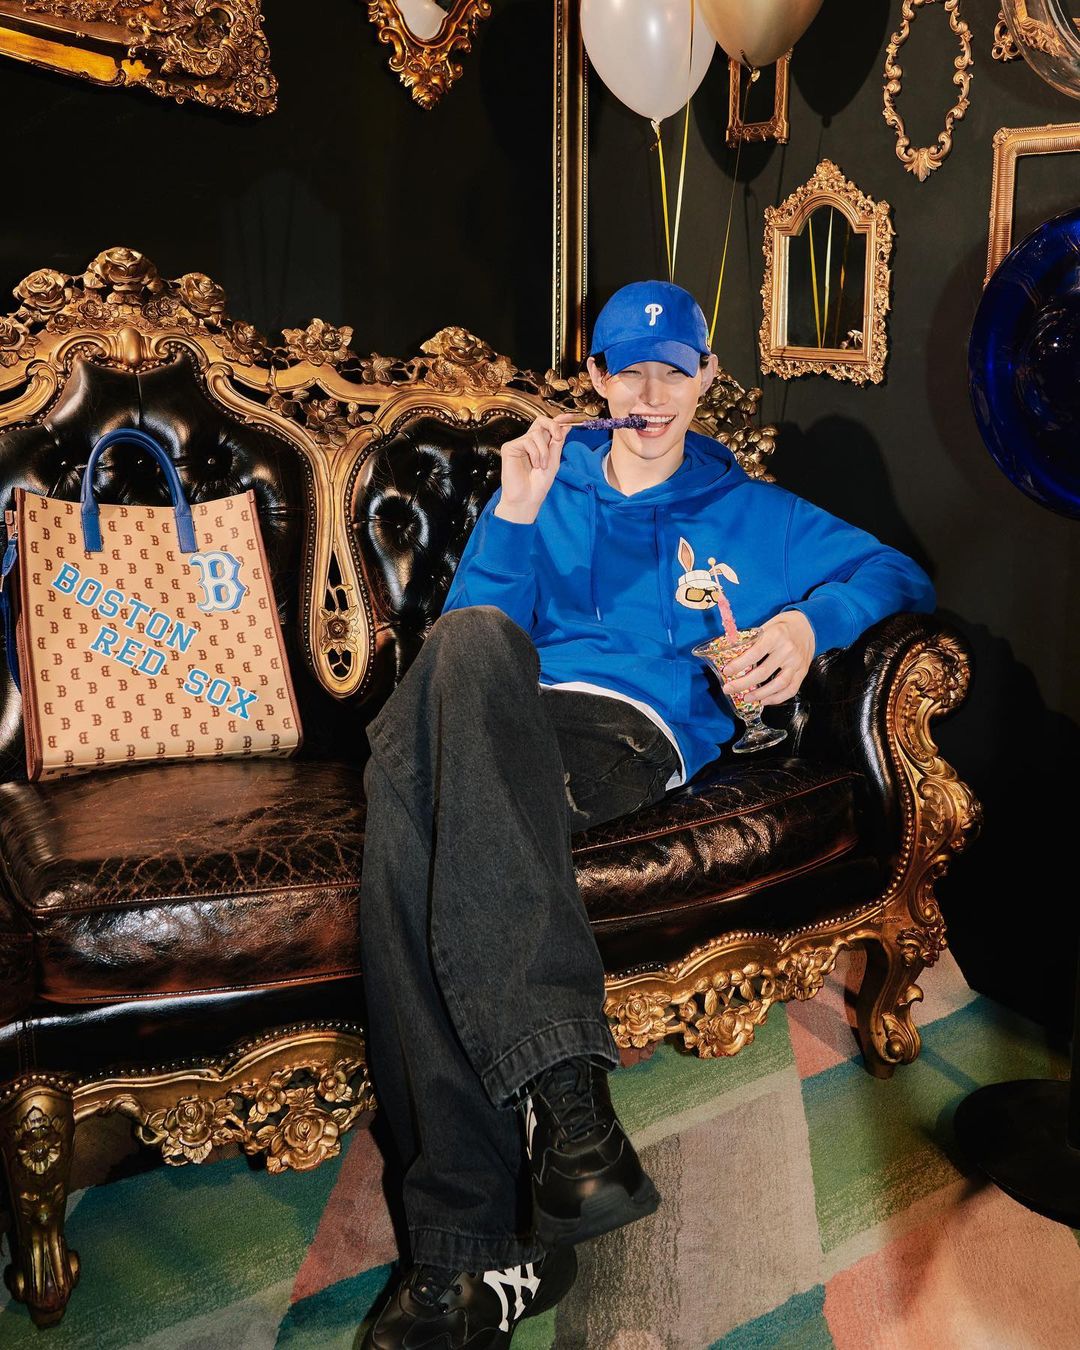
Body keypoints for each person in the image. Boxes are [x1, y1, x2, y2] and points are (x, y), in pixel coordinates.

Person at [357, 281, 935, 1348]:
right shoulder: (548, 483)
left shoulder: (756, 513)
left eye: (675, 371)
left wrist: (808, 628)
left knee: (409, 792)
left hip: (624, 736)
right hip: (505, 720)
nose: (652, 393)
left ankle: (467, 1246)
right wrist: (517, 510)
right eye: (630, 369)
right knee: (454, 694)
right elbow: (471, 641)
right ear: (596, 376)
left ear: (708, 377)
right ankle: (559, 1119)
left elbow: (898, 571)